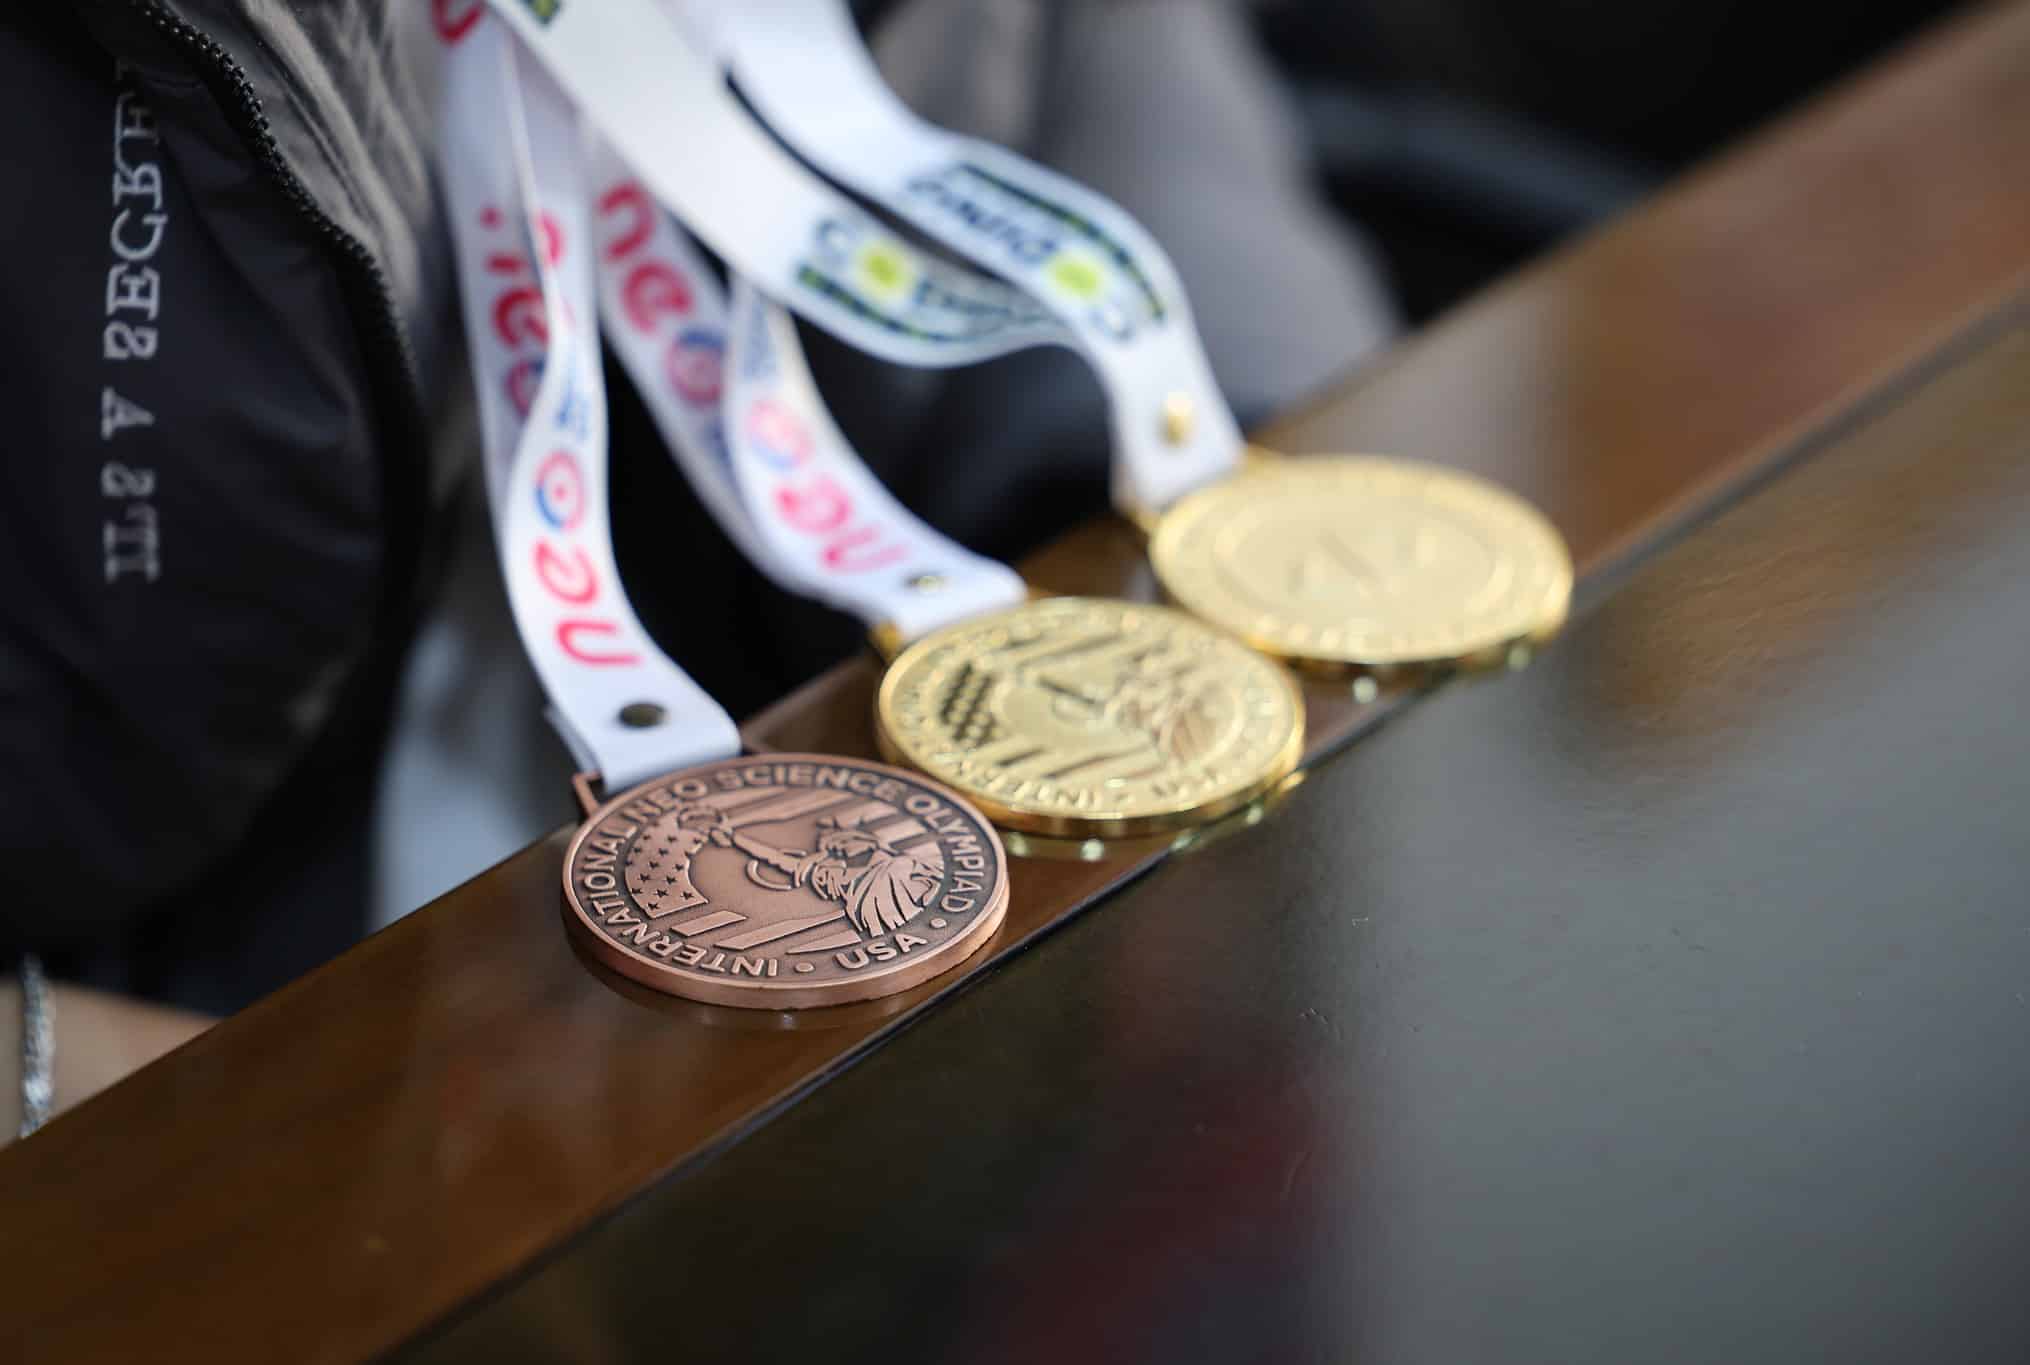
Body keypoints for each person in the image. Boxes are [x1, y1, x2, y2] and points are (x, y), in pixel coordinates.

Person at [1, 0, 1396, 1137]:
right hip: (230, 1048)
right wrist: (58, 1080)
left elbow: (1106, 63)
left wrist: (1214, 467)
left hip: (874, 966)